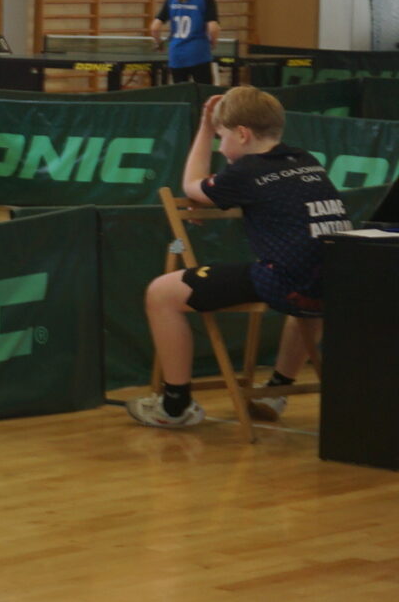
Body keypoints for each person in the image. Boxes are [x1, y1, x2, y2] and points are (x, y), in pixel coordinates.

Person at [129, 87, 346, 428]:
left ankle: (175, 406)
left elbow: (192, 183)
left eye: (222, 137)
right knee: (307, 296)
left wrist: (204, 128)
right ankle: (276, 390)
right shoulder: (306, 160)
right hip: (335, 286)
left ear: (242, 134)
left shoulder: (245, 173)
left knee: (161, 293)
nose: (219, 146)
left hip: (284, 283)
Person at [152, 0, 224, 85]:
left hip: (176, 54)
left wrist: (159, 43)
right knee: (204, 92)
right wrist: (213, 42)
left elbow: (155, 27)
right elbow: (213, 28)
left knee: (181, 93)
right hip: (198, 53)